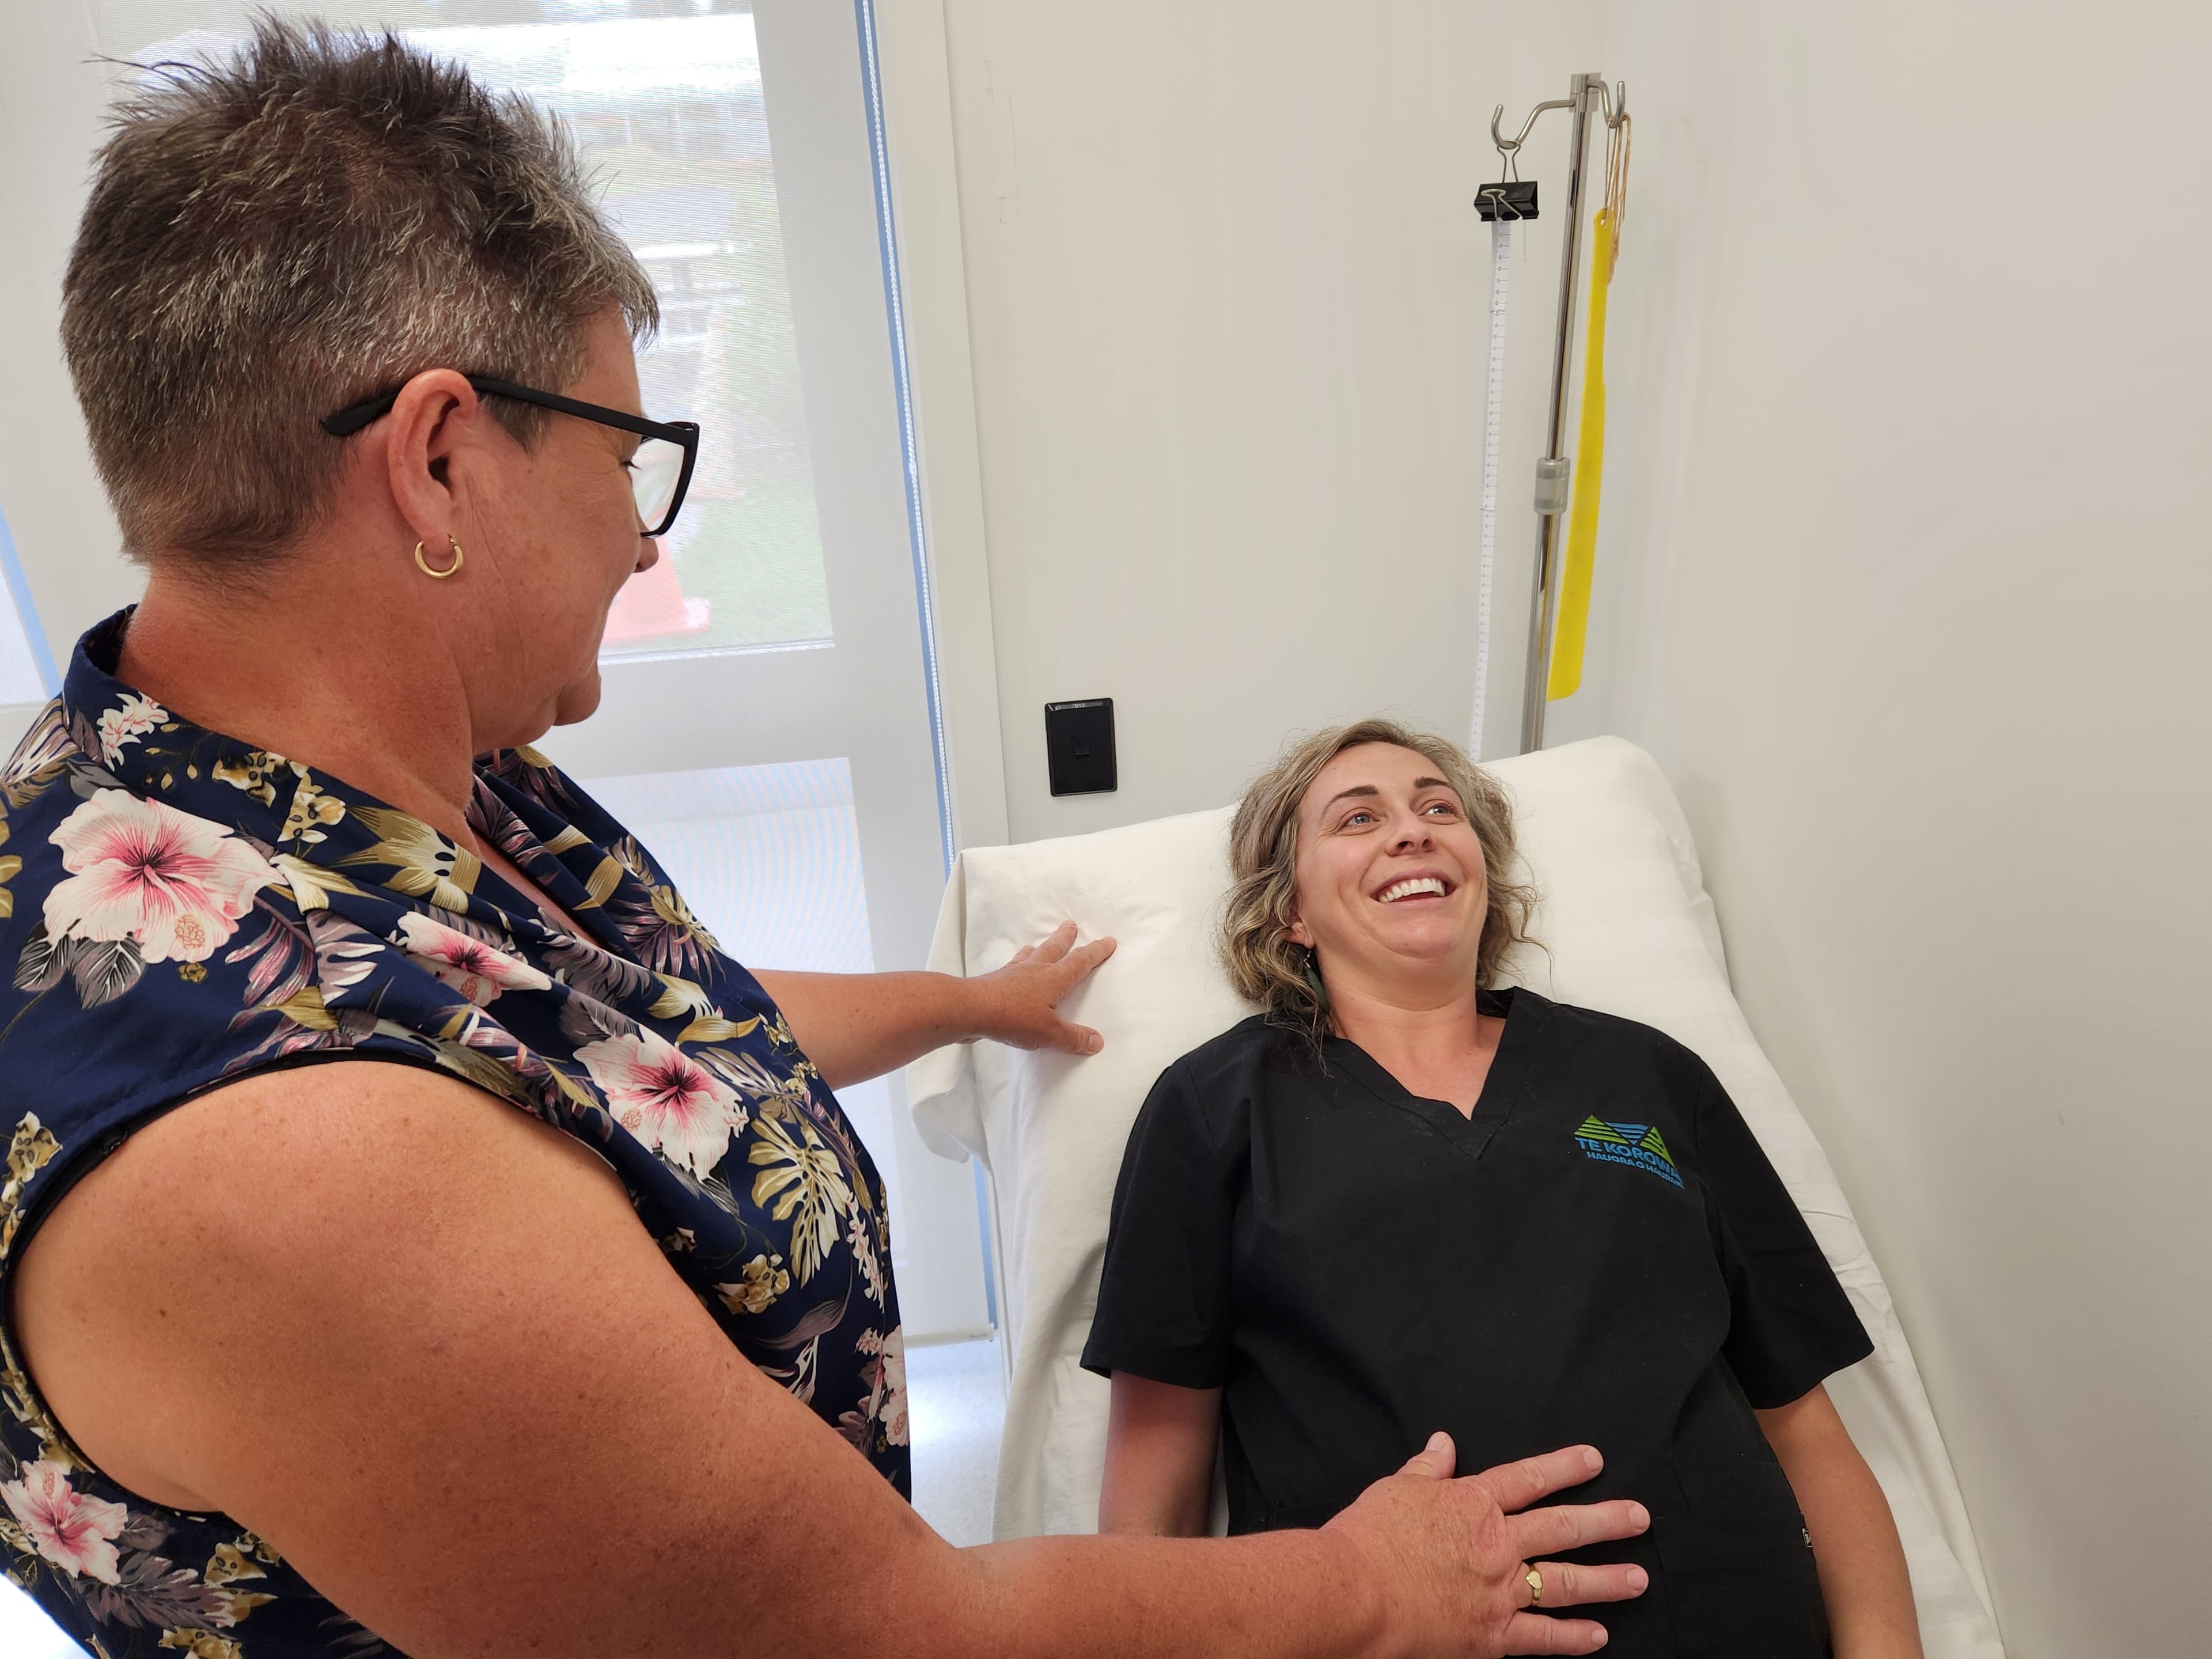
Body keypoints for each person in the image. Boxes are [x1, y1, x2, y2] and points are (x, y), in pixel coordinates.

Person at [0, 25, 1650, 1658]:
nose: (643, 547)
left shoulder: (326, 775)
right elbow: (887, 1631)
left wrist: (963, 1004)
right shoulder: (302, 1169)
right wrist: (1372, 1587)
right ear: (438, 463)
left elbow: (614, 1045)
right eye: (631, 459)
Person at [1083, 721, 1926, 1658]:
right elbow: (1151, 1507)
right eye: (1358, 819)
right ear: (1291, 913)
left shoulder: (1647, 1074)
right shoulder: (1215, 1110)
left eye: (1438, 809)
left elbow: (1806, 1430)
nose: (1412, 831)